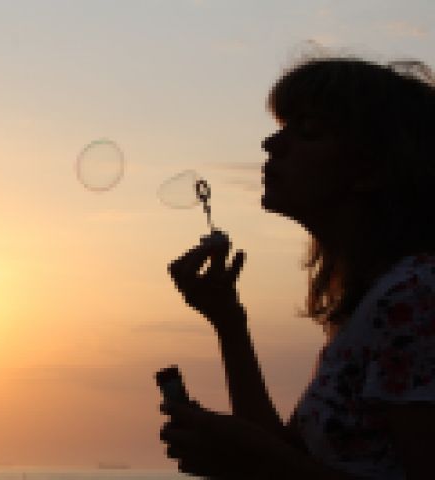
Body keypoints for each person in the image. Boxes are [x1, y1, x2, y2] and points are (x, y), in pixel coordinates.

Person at [159, 56, 435, 479]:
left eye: (307, 131)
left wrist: (258, 464)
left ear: (371, 169)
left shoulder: (416, 296)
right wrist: (229, 322)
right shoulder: (380, 299)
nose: (271, 143)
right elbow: (293, 457)